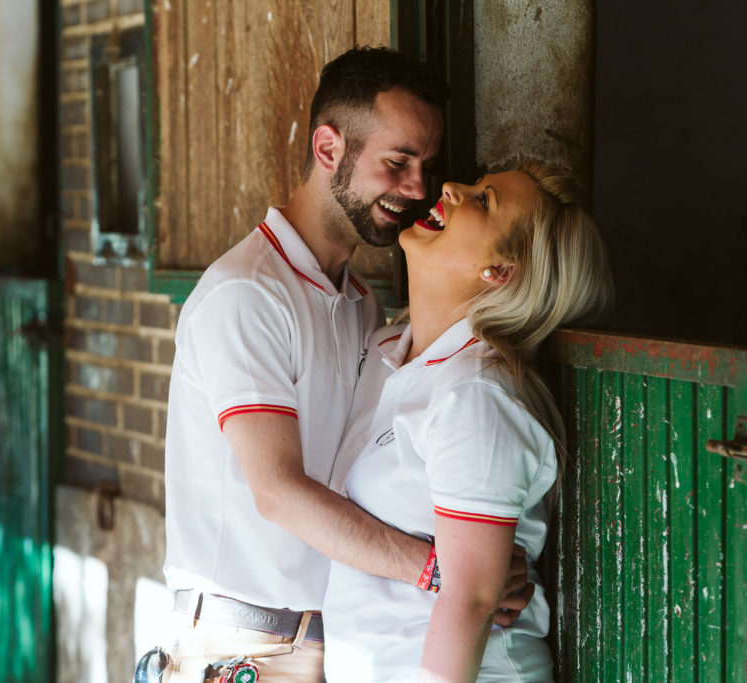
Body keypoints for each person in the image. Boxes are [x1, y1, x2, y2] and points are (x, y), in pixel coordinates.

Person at [148, 47, 533, 683]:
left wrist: (480, 562)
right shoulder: (247, 293)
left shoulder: (360, 305)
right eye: (397, 162)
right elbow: (278, 492)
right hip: (243, 650)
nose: (417, 189)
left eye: (426, 166)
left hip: (326, 643)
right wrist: (442, 571)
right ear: (329, 149)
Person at [322, 160, 615, 682]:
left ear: (500, 272)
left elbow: (474, 600)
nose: (451, 188)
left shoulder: (477, 395)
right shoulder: (393, 353)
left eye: (483, 201)